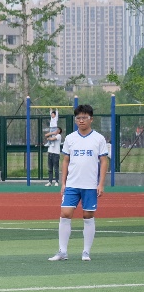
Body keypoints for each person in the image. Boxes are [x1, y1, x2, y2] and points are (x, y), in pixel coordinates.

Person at [48, 103, 110, 262]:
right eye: (78, 118)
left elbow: (104, 161)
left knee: (88, 216)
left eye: (84, 117)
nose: (81, 120)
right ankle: (62, 251)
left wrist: (101, 184)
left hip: (90, 185)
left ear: (91, 119)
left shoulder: (99, 139)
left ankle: (86, 252)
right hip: (72, 184)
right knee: (65, 214)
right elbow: (65, 160)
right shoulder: (70, 138)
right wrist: (63, 182)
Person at [44, 110, 62, 187]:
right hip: (50, 153)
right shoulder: (53, 133)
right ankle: (50, 181)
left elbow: (52, 138)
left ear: (59, 131)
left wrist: (50, 137)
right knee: (50, 169)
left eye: (57, 130)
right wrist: (51, 133)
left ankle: (57, 181)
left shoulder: (59, 136)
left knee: (56, 168)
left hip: (56, 154)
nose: (56, 130)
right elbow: (46, 135)